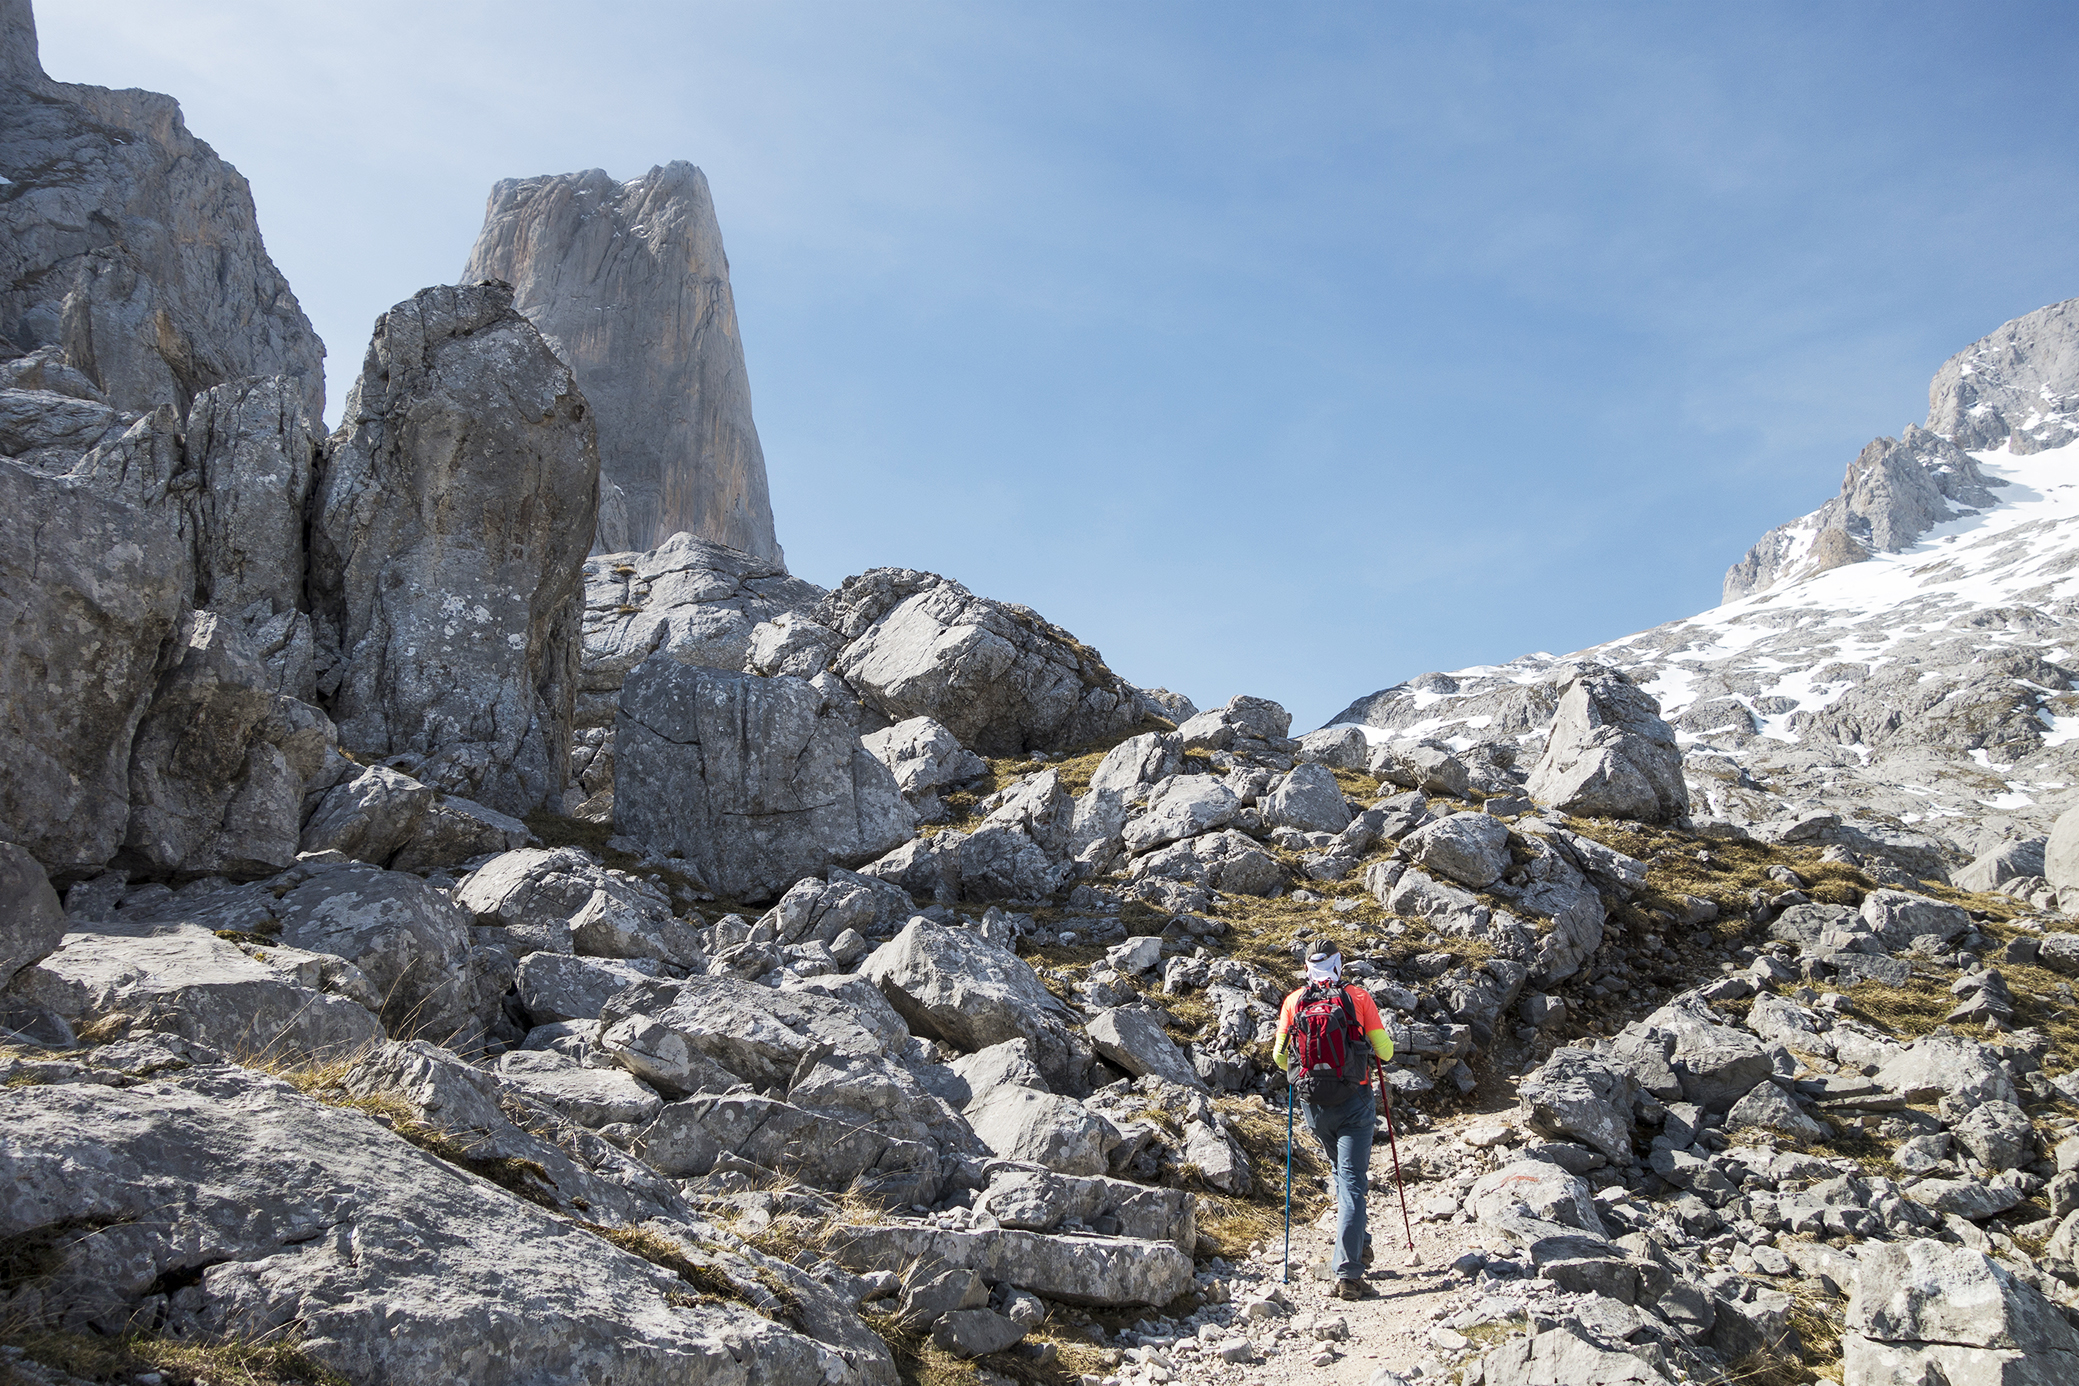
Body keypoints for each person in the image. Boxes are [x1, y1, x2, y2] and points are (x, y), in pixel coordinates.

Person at [1270, 948, 1395, 1300]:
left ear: (1307, 968)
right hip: (1354, 1101)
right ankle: (1349, 1274)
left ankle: (1360, 1246)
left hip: (1315, 1107)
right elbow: (1385, 1053)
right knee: (1353, 1183)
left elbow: (1280, 1058)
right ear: (1339, 965)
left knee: (1343, 1177)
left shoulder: (1294, 1001)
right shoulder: (1357, 997)